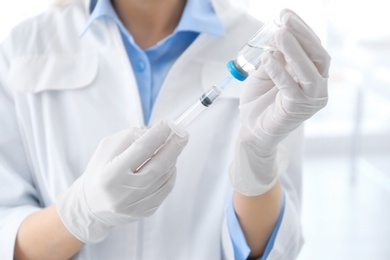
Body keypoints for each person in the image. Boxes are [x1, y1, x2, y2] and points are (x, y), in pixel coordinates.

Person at [0, 0, 330, 259]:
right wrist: (80, 212)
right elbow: (9, 239)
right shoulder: (23, 48)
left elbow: (270, 250)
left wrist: (257, 166)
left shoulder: (266, 55)